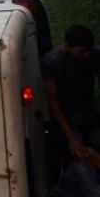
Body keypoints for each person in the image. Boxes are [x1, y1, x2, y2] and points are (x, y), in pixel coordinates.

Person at [42, 24, 100, 183]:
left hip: (89, 109)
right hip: (64, 115)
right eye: (81, 51)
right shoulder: (52, 62)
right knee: (76, 159)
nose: (86, 55)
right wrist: (71, 137)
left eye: (89, 50)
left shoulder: (94, 55)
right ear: (67, 47)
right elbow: (53, 103)